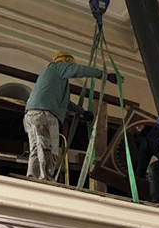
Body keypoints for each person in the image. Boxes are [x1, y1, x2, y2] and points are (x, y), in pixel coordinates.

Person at [23, 51, 116, 180]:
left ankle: (32, 176)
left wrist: (82, 112)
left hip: (31, 115)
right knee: (49, 148)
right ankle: (45, 178)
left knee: (36, 147)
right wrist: (104, 75)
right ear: (65, 61)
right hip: (44, 114)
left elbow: (65, 103)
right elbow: (78, 70)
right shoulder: (57, 67)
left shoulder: (54, 80)